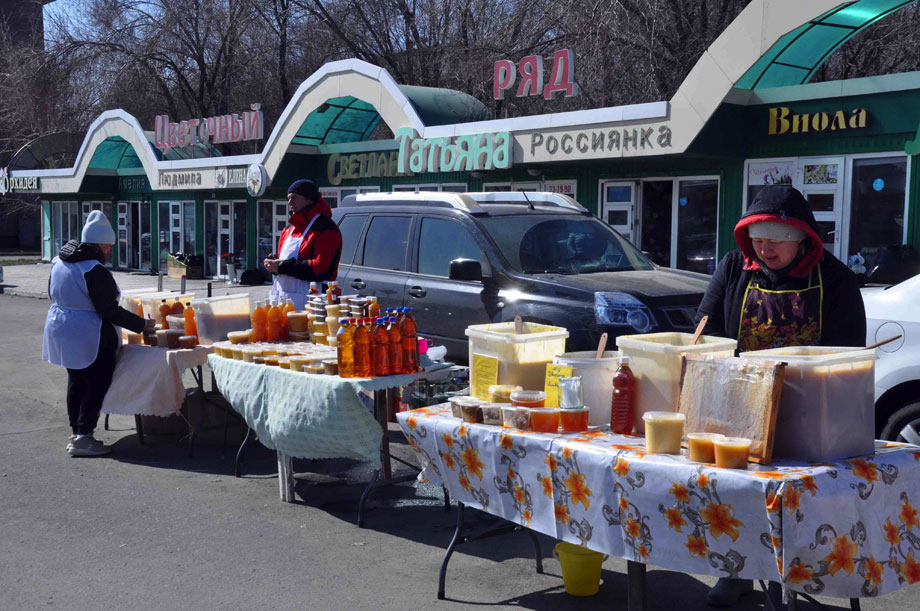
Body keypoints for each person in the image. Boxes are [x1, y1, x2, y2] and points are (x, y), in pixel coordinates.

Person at [694, 185, 865, 607]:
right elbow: (707, 328)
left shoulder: (837, 279)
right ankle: (733, 571)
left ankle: (789, 581)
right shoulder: (735, 266)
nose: (765, 248)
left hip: (810, 411)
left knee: (793, 505)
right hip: (742, 405)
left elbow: (847, 357)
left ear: (801, 238)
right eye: (757, 238)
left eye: (775, 239)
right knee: (732, 494)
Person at [42, 211, 154, 457]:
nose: (110, 251)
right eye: (109, 246)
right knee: (97, 383)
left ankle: (77, 433)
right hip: (89, 335)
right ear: (102, 245)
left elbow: (52, 293)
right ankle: (84, 436)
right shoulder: (94, 270)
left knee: (76, 381)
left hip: (62, 329)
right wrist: (141, 325)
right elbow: (108, 309)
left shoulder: (59, 262)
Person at [263, 179, 342, 309]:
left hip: (314, 303)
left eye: (294, 197)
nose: (290, 203)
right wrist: (273, 264)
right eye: (288, 198)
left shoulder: (325, 228)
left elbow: (321, 269)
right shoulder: (289, 228)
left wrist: (281, 266)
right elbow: (287, 262)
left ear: (309, 199)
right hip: (283, 299)